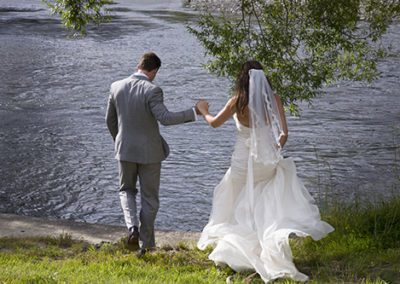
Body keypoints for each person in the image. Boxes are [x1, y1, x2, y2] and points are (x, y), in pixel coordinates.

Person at [196, 60, 334, 282]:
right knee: (262, 199)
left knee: (235, 198)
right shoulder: (274, 99)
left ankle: (240, 246)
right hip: (265, 161)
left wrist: (203, 110)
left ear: (242, 79)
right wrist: (272, 151)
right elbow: (284, 134)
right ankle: (263, 241)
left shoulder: (236, 102)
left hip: (242, 161)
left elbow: (213, 123)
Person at [106, 52, 202, 254]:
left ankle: (132, 227)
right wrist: (194, 112)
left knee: (126, 190)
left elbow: (110, 121)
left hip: (124, 150)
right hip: (150, 153)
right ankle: (147, 245)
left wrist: (120, 142)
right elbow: (165, 118)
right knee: (150, 199)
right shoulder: (153, 90)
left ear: (138, 65)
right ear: (154, 71)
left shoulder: (116, 87)